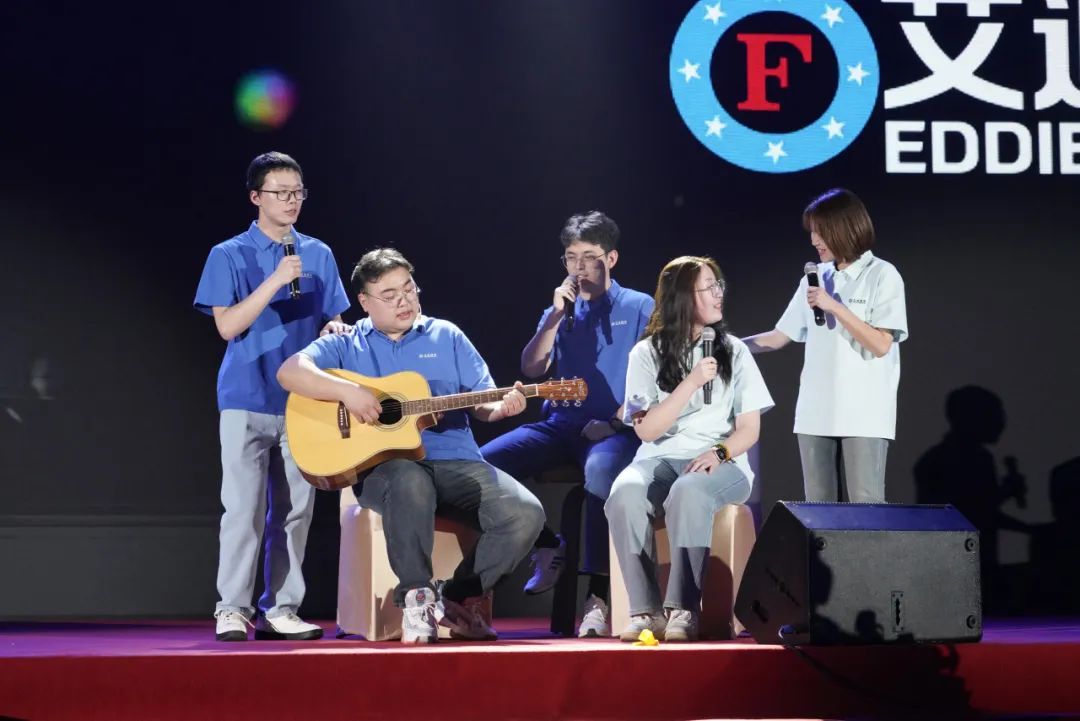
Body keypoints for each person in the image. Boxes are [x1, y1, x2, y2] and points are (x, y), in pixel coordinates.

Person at [276, 248, 545, 644]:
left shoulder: (447, 335)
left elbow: (484, 402)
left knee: (525, 513)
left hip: (456, 463)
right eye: (389, 295)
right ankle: (417, 598)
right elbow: (289, 372)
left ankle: (457, 598)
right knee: (409, 478)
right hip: (385, 471)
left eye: (408, 289)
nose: (403, 301)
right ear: (365, 301)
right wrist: (348, 392)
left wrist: (501, 408)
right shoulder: (348, 343)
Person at [194, 151, 351, 642]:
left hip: (304, 402)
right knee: (242, 510)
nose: (291, 201)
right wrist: (275, 280)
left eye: (298, 192)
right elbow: (227, 326)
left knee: (295, 512)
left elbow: (334, 319)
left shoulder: (319, 253)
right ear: (256, 197)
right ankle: (232, 608)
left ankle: (281, 608)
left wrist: (334, 328)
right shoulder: (228, 254)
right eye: (281, 193)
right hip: (245, 395)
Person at [480, 211, 653, 637]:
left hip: (614, 429)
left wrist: (614, 422)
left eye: (589, 257)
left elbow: (654, 378)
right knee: (481, 464)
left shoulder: (640, 306)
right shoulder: (560, 311)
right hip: (559, 424)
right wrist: (555, 317)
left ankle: (598, 598)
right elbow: (531, 367)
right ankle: (545, 543)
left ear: (611, 258)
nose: (579, 268)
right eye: (571, 258)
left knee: (600, 472)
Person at [605, 256, 773, 642]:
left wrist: (719, 453)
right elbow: (647, 430)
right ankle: (645, 611)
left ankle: (683, 607)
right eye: (708, 287)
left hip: (720, 461)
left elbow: (749, 429)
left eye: (718, 285)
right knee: (624, 492)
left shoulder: (734, 351)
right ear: (682, 297)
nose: (718, 294)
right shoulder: (645, 354)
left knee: (689, 489)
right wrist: (691, 382)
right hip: (658, 458)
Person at [743, 188, 908, 503]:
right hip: (815, 413)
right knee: (819, 509)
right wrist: (730, 346)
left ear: (844, 229)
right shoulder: (815, 278)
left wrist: (834, 306)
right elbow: (778, 337)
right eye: (812, 232)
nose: (814, 240)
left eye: (820, 232)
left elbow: (881, 344)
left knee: (866, 507)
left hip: (864, 414)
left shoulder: (882, 275)